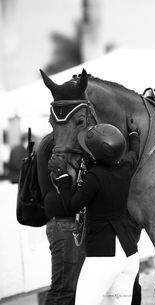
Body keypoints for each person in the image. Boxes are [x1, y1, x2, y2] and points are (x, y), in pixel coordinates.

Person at [48, 118, 141, 305]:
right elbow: (134, 153)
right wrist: (134, 134)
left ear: (94, 156)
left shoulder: (94, 177)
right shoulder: (125, 167)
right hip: (129, 254)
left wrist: (63, 177)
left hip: (103, 257)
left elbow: (71, 206)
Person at [37, 133, 86, 305]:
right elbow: (66, 186)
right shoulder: (59, 143)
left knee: (69, 290)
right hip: (65, 223)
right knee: (64, 292)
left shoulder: (50, 141)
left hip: (63, 222)